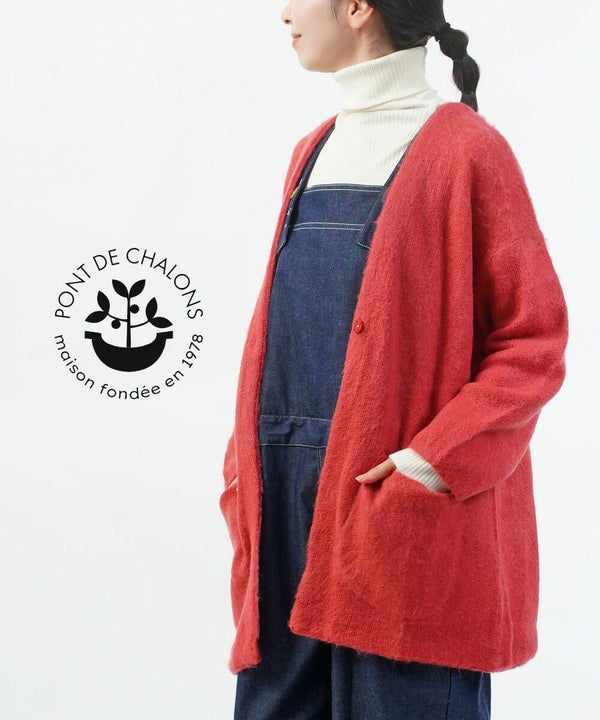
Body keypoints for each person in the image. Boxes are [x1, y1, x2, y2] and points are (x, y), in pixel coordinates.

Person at [219, 1, 568, 718]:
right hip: (283, 510)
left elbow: (534, 343)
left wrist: (431, 463)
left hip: (399, 521)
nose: (284, 12)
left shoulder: (468, 152)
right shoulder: (312, 150)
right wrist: (241, 468)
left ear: (356, 8)